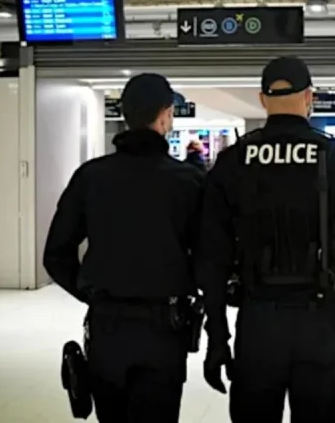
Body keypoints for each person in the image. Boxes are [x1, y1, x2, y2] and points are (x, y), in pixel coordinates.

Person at [197, 56, 335, 423]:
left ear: (261, 99)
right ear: (310, 98)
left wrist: (218, 338)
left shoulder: (234, 160)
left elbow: (211, 258)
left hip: (257, 321)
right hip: (321, 321)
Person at [43, 73, 204, 423]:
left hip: (107, 330)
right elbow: (209, 255)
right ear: (164, 115)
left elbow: (56, 254)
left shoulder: (91, 177)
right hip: (165, 329)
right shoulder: (189, 182)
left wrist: (90, 291)